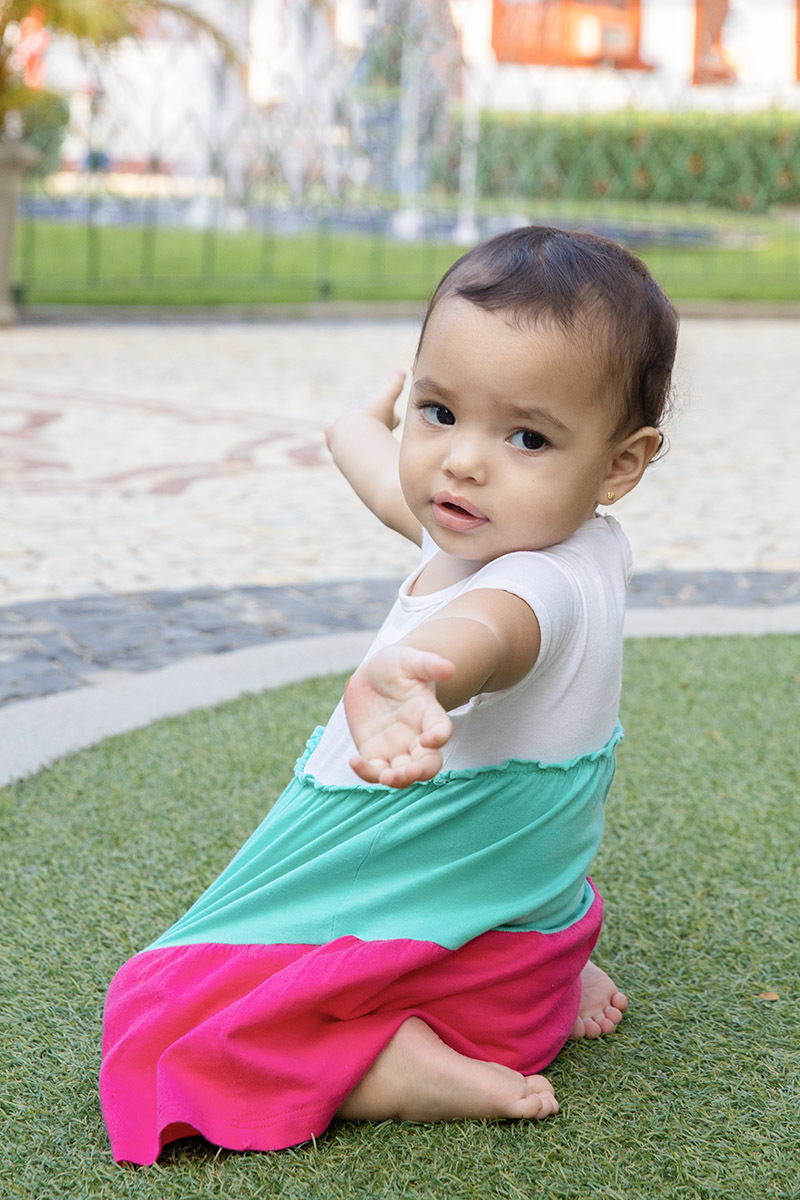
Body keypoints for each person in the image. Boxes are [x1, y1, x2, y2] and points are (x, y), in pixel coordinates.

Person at [100, 225, 677, 1164]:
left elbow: (488, 627)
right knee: (506, 873)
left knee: (156, 1012)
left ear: (620, 463)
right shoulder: (534, 527)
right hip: (516, 927)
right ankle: (542, 970)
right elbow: (398, 497)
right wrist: (353, 434)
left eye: (525, 435)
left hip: (458, 928)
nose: (461, 462)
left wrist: (420, 669)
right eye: (440, 412)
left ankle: (391, 1066)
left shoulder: (537, 586)